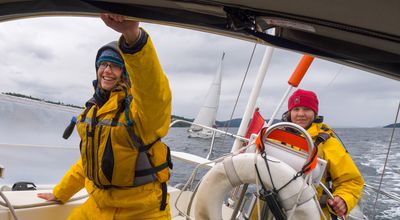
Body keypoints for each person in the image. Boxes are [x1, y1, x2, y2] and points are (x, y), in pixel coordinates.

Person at [37, 13, 172, 220]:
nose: (107, 70)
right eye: (103, 64)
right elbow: (88, 162)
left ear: (126, 73)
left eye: (116, 66)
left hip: (142, 212)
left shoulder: (142, 112)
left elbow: (152, 88)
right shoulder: (93, 111)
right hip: (97, 206)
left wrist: (132, 36)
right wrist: (60, 193)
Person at [284, 89, 364, 219]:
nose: (301, 114)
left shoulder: (328, 143)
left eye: (306, 109)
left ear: (315, 113)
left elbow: (351, 181)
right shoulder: (274, 137)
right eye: (296, 109)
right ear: (289, 112)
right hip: (268, 210)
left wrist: (343, 199)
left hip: (313, 213)